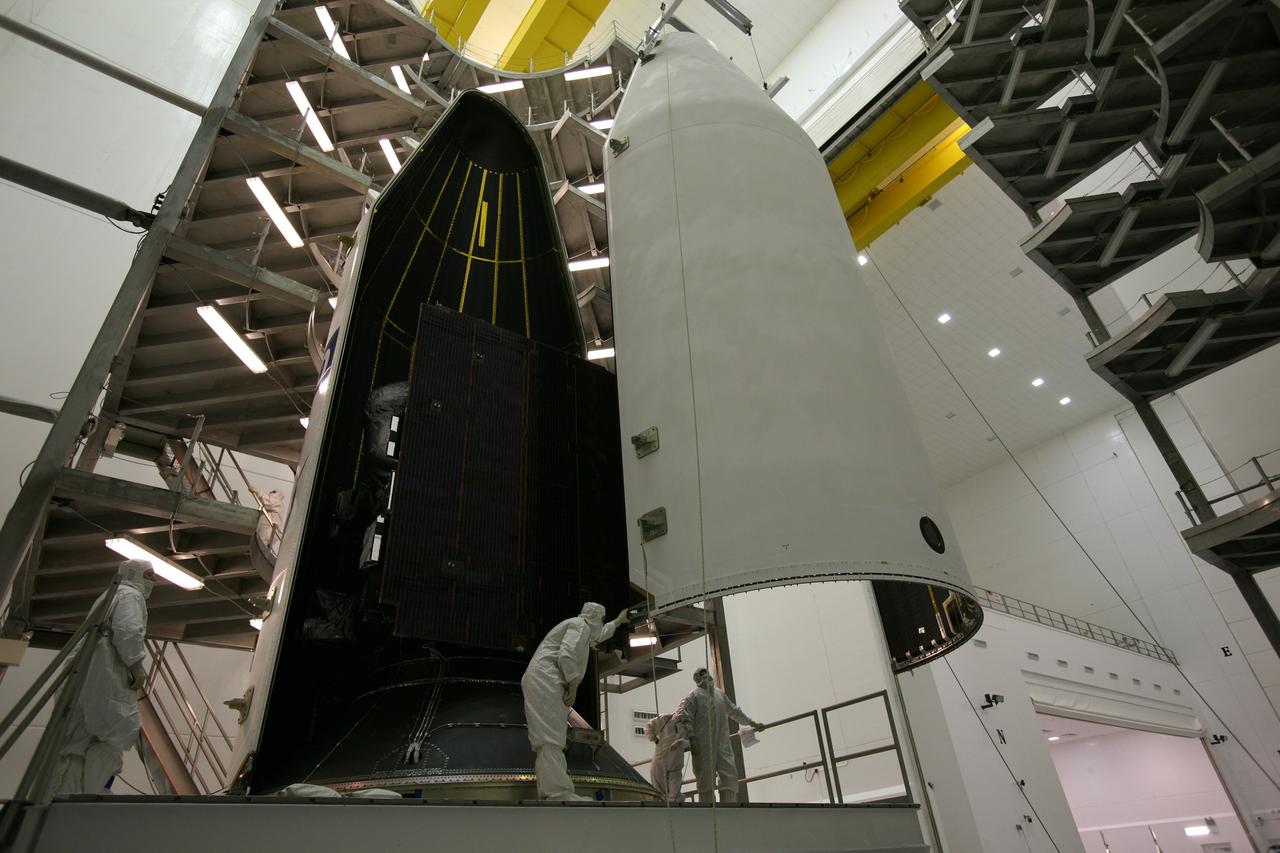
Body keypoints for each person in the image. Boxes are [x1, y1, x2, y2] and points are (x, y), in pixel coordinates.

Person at [53, 559, 153, 794]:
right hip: (105, 671)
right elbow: (128, 631)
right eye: (149, 575)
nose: (152, 581)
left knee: (75, 745)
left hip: (80, 673)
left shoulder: (108, 595)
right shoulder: (130, 595)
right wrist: (136, 664)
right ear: (133, 574)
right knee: (116, 735)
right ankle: (93, 795)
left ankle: (66, 798)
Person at [521, 602, 627, 800]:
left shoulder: (580, 626)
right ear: (596, 618)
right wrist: (573, 684)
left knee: (550, 739)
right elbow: (567, 655)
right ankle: (557, 793)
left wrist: (618, 622)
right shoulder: (580, 627)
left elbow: (599, 634)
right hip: (546, 680)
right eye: (603, 619)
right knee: (551, 738)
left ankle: (551, 791)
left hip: (544, 679)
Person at [675, 667, 764, 803]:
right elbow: (686, 719)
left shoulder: (720, 695)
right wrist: (692, 739)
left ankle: (729, 810)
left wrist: (752, 723)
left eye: (706, 673)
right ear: (697, 678)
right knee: (705, 780)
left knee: (729, 776)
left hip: (722, 743)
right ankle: (708, 814)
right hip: (703, 745)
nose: (706, 676)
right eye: (702, 674)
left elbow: (734, 712)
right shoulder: (693, 696)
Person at [644, 711, 688, 802]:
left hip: (676, 760)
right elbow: (648, 726)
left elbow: (693, 742)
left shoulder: (688, 725)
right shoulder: (665, 718)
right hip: (660, 758)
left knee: (674, 793)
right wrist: (654, 739)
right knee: (659, 790)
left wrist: (683, 743)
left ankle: (674, 807)